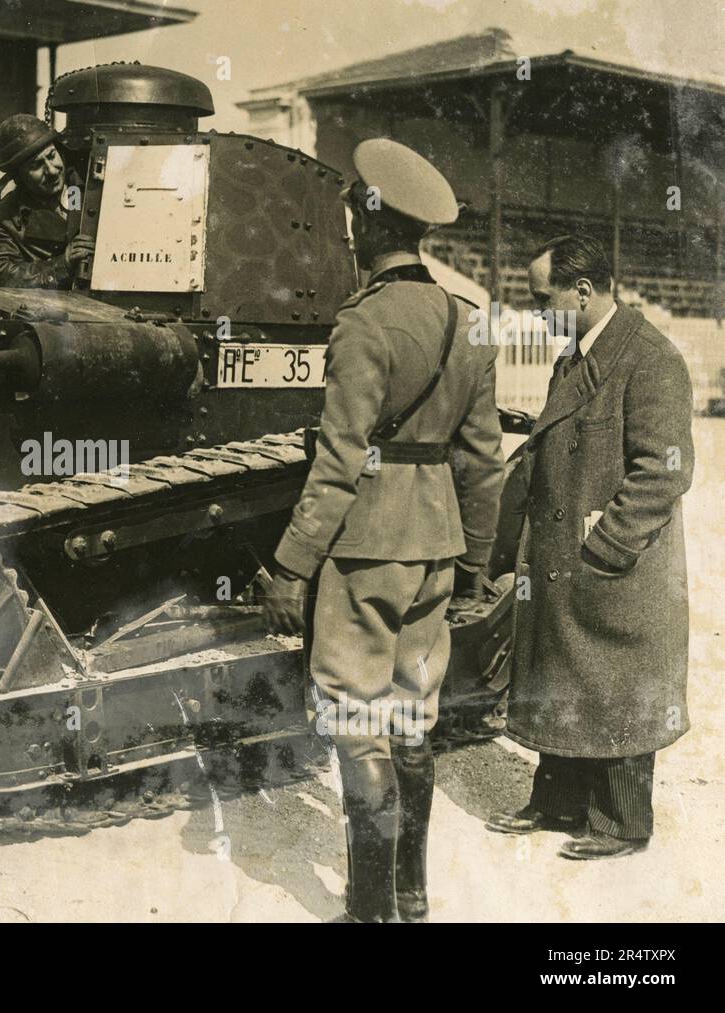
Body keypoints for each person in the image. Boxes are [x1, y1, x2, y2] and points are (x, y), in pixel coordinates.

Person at [263, 139, 505, 922]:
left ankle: (368, 914)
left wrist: (292, 566)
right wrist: (476, 558)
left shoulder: (363, 324)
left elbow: (338, 461)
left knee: (358, 725)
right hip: (435, 547)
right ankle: (411, 893)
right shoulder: (468, 323)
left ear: (367, 225)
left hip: (367, 548)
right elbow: (482, 460)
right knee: (411, 716)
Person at [485, 234, 694, 859]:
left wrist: (606, 545)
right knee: (565, 678)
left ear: (583, 290)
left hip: (614, 565)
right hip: (563, 560)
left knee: (617, 686)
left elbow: (665, 469)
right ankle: (557, 803)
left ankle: (621, 823)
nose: (536, 313)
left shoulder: (651, 356)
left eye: (541, 298)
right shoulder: (576, 355)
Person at [0, 113, 94, 289]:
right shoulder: (9, 216)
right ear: (19, 176)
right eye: (36, 165)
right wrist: (61, 264)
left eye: (51, 156)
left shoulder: (83, 186)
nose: (52, 171)